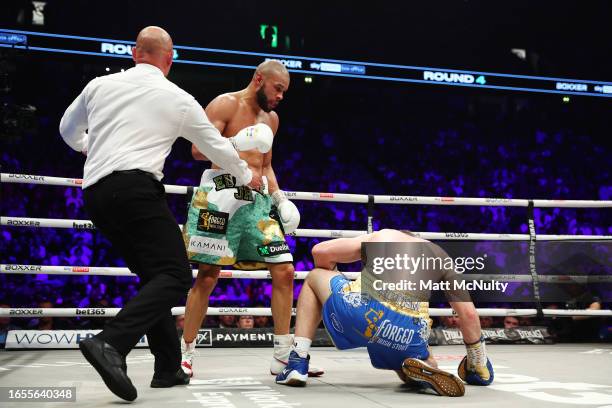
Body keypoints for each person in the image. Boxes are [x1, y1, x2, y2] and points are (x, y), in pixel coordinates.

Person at [59, 26, 267, 402]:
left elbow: (67, 129)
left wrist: (90, 147)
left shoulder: (98, 86)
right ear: (169, 60)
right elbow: (215, 146)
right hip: (136, 191)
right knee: (173, 275)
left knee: (155, 275)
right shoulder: (178, 98)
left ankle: (167, 367)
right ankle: (110, 343)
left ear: (134, 52)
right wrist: (245, 174)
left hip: (96, 194)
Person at [180, 60, 321, 377]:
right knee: (207, 276)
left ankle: (283, 356)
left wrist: (280, 198)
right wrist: (235, 143)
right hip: (219, 196)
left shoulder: (272, 119)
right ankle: (185, 353)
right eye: (278, 89)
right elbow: (197, 150)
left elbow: (266, 165)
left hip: (257, 205)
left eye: (285, 91)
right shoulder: (226, 103)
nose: (281, 96)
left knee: (285, 270)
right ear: (260, 80)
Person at [275, 229, 494, 396]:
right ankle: (425, 367)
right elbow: (469, 315)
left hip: (364, 312)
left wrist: (330, 273)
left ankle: (297, 361)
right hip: (409, 331)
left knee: (315, 275)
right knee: (414, 357)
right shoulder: (441, 257)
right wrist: (477, 364)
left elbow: (320, 251)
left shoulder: (384, 236)